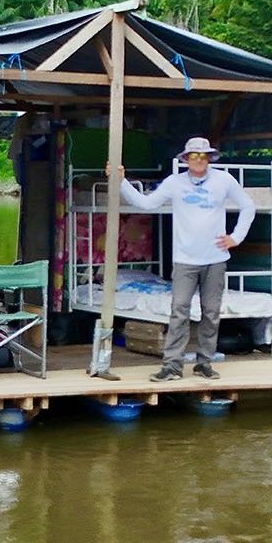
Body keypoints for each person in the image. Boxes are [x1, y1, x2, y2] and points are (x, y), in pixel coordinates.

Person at [110, 136, 254, 381]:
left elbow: (248, 206)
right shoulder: (174, 182)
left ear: (209, 158)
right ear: (186, 159)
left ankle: (204, 363)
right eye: (194, 156)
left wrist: (236, 237)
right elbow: (146, 204)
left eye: (203, 156)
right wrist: (121, 181)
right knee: (179, 311)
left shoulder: (224, 179)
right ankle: (172, 366)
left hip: (215, 258)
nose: (199, 160)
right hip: (185, 259)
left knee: (211, 312)